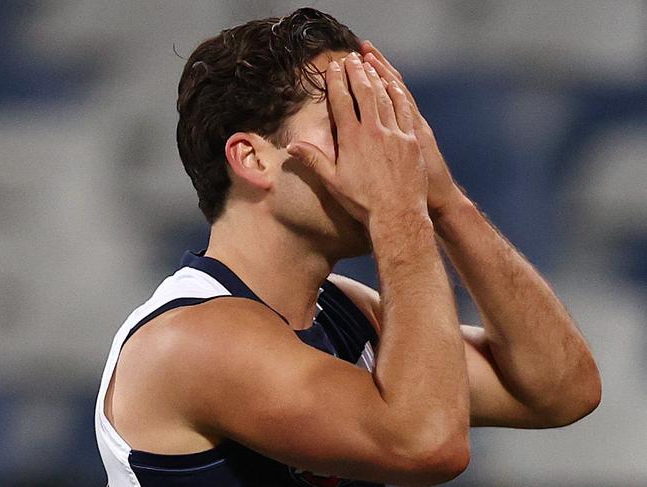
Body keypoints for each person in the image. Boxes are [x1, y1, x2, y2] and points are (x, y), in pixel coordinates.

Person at [95, 7, 601, 487]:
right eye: (349, 122)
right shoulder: (192, 339)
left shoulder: (344, 311)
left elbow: (560, 393)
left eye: (386, 121)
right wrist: (398, 210)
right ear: (252, 159)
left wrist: (445, 201)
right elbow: (426, 446)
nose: (387, 147)